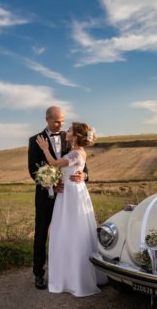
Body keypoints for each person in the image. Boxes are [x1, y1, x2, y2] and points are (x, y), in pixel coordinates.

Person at [35, 122, 108, 296]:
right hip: (71, 192)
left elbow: (54, 163)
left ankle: (76, 277)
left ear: (75, 137)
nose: (65, 130)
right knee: (70, 232)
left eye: (69, 130)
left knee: (72, 232)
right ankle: (71, 274)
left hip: (71, 195)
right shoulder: (77, 151)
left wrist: (45, 149)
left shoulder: (75, 152)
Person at [28, 106, 86, 290]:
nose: (61, 124)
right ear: (47, 119)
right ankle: (39, 274)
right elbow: (33, 170)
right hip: (46, 197)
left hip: (68, 197)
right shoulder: (35, 140)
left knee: (68, 234)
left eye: (62, 121)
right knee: (41, 233)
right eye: (56, 121)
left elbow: (83, 167)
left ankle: (67, 272)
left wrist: (84, 176)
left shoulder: (69, 137)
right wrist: (52, 185)